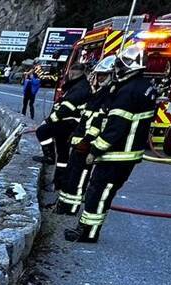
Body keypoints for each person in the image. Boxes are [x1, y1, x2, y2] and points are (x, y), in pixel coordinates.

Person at [67, 45, 157, 243]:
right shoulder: (144, 87)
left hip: (117, 155)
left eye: (118, 66)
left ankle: (88, 233)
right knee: (102, 193)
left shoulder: (128, 92)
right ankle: (86, 228)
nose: (115, 71)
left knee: (98, 193)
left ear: (126, 67)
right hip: (126, 154)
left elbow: (115, 127)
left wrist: (95, 149)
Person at [56, 56, 115, 214]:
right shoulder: (98, 92)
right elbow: (86, 118)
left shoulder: (108, 95)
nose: (100, 77)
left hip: (87, 143)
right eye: (99, 74)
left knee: (79, 178)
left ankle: (72, 208)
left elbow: (99, 123)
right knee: (70, 175)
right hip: (79, 140)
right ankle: (62, 205)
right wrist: (75, 135)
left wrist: (88, 142)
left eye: (104, 75)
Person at [34, 63, 90, 170]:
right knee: (62, 150)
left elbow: (65, 110)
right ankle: (60, 177)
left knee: (42, 131)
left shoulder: (79, 88)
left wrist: (48, 121)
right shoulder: (78, 86)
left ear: (71, 73)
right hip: (69, 122)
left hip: (69, 123)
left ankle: (50, 157)